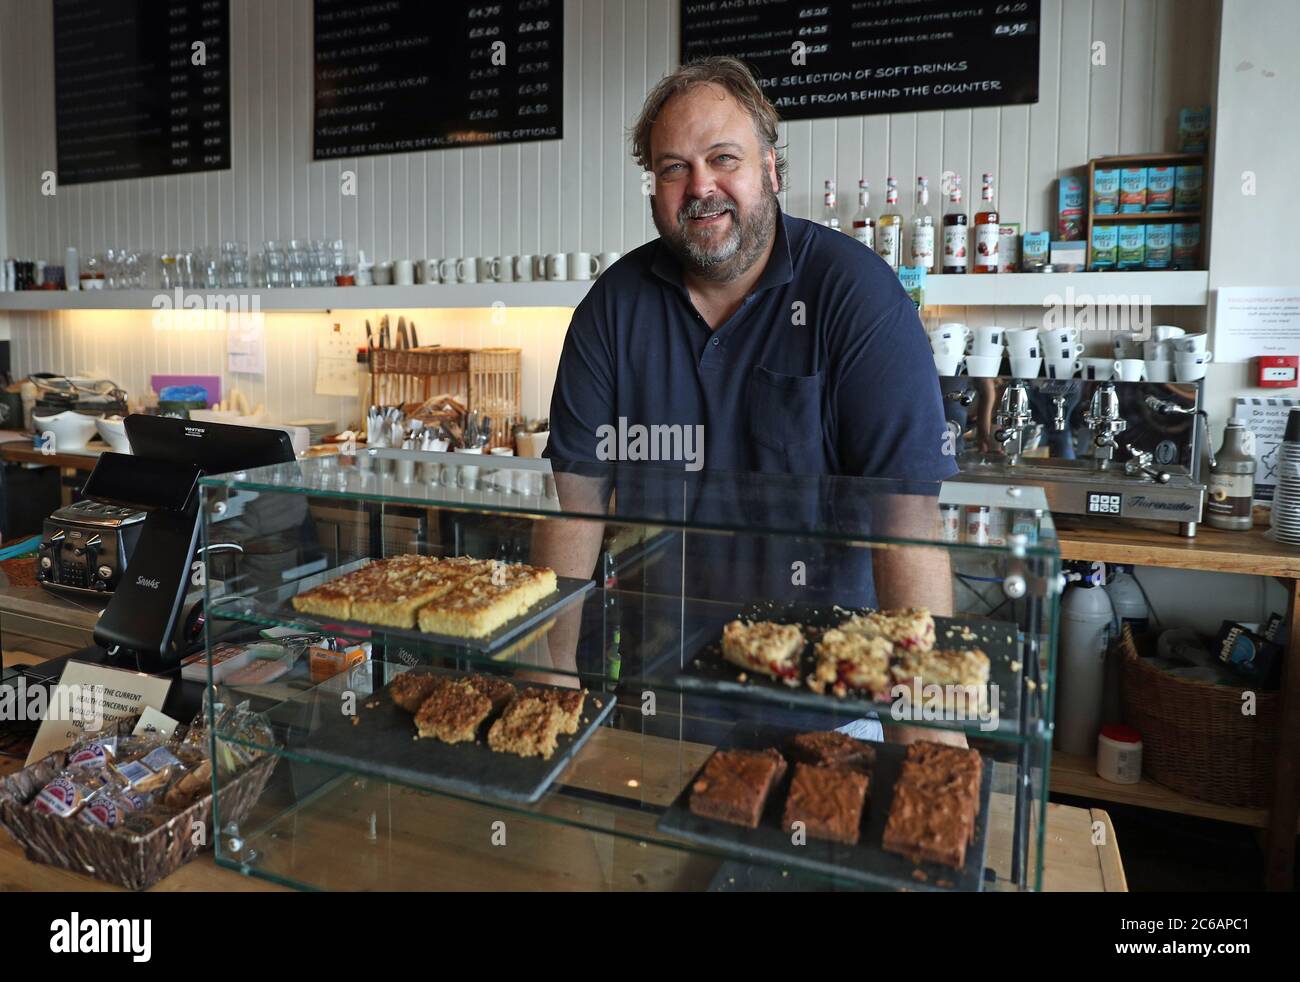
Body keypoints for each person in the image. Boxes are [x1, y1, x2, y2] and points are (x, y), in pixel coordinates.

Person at [532, 57, 963, 745]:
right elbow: (573, 512)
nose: (700, 186)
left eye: (722, 158)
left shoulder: (855, 295)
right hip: (653, 704)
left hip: (827, 708)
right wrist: (549, 685)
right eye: (673, 167)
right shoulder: (612, 309)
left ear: (771, 168)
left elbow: (906, 522)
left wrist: (926, 741)